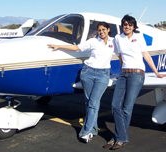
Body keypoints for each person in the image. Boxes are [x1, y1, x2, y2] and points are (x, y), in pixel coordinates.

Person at [103, 15, 166, 150]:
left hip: (137, 74)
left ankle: (117, 138)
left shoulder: (139, 37)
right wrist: (122, 71)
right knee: (115, 105)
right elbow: (120, 56)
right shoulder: (118, 38)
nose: (127, 26)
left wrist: (156, 73)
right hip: (124, 74)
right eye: (125, 24)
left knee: (127, 107)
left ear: (134, 26)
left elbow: (146, 56)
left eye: (130, 24)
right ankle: (120, 137)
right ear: (122, 25)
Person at [48, 22, 114, 143]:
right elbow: (77, 47)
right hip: (88, 72)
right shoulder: (93, 41)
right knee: (90, 102)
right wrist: (58, 46)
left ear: (108, 29)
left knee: (93, 102)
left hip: (103, 74)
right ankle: (93, 130)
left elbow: (124, 52)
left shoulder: (114, 42)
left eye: (103, 29)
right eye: (99, 30)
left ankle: (86, 132)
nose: (101, 32)